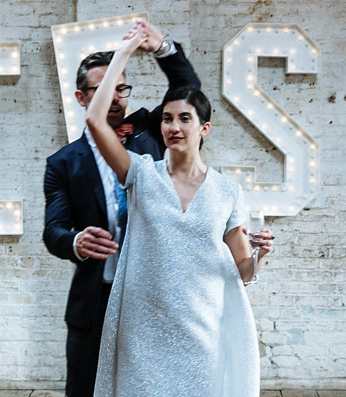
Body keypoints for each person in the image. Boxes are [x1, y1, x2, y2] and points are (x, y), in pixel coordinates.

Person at [86, 28, 273, 397]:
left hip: (202, 331)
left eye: (184, 119)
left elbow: (242, 271)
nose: (173, 126)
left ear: (203, 128)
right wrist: (122, 54)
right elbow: (94, 121)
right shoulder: (139, 173)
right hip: (142, 330)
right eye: (167, 118)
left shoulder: (227, 192)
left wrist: (262, 255)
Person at [43, 20, 200, 397]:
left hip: (155, 295)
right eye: (104, 90)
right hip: (95, 298)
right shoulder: (63, 163)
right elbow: (53, 231)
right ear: (83, 99)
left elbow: (189, 93)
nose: (116, 98)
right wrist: (76, 241)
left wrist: (164, 48)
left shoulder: (151, 130)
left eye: (122, 88)